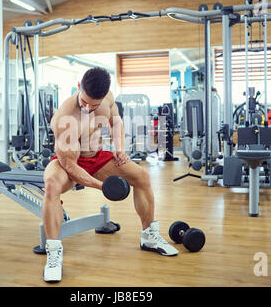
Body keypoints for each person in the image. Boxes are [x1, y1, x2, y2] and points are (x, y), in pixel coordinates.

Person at [42, 67, 178, 282]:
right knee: (51, 185)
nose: (87, 108)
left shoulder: (108, 100)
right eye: (84, 102)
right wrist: (101, 186)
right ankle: (53, 251)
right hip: (68, 161)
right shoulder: (65, 117)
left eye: (93, 105)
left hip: (97, 156)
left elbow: (117, 122)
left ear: (105, 96)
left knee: (141, 176)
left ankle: (149, 236)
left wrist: (120, 149)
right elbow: (70, 165)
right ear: (79, 87)